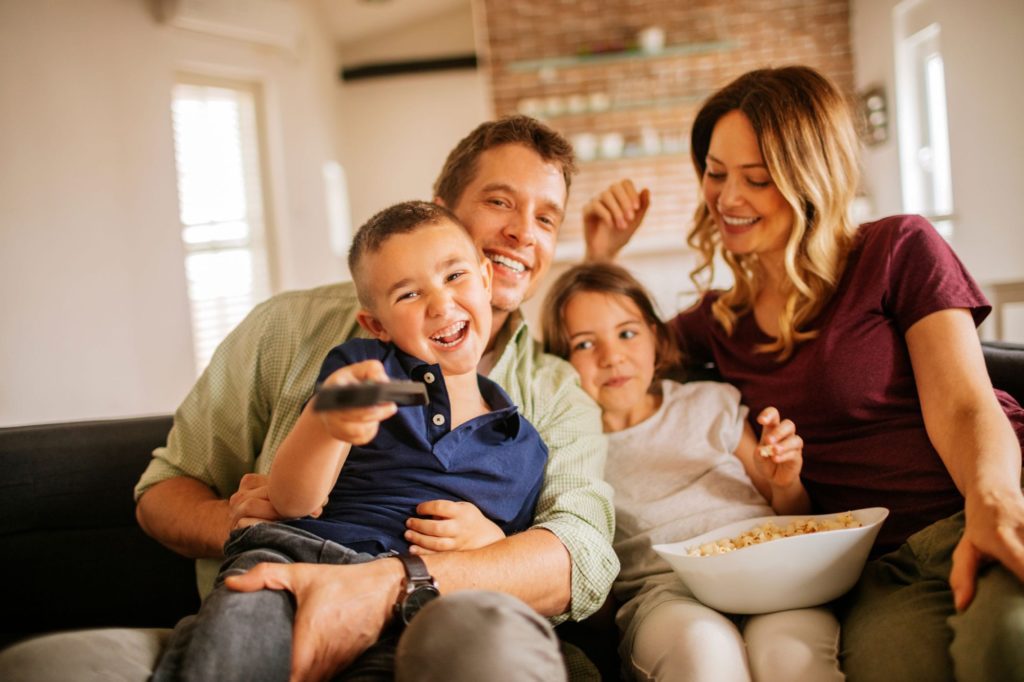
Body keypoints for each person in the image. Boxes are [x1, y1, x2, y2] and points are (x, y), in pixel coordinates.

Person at [0, 116, 617, 682]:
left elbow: (580, 553)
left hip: (447, 620)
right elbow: (163, 493)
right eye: (499, 201)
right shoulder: (295, 332)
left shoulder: (553, 398)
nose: (520, 232)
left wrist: (444, 567)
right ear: (441, 210)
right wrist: (244, 523)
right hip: (280, 582)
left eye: (545, 218)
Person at [582, 65, 1024, 681]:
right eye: (715, 173)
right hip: (877, 567)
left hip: (984, 503)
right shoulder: (719, 321)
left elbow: (965, 405)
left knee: (1006, 643)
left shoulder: (897, 249)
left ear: (810, 179)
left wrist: (994, 502)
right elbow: (604, 357)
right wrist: (600, 258)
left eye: (756, 179)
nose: (727, 199)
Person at [153, 201, 551, 680]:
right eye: (407, 295)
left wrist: (490, 543)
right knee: (236, 648)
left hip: (410, 598)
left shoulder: (522, 445)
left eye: (454, 276)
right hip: (293, 558)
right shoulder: (368, 377)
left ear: (486, 280)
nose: (440, 304)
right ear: (377, 325)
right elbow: (294, 501)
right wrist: (326, 425)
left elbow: (513, 562)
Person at [541, 261, 844, 682]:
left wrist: (785, 480)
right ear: (560, 362)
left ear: (656, 338)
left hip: (769, 574)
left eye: (627, 333)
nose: (613, 357)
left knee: (790, 658)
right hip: (666, 596)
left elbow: (792, 513)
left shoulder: (709, 402)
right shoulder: (572, 450)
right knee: (704, 655)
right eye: (585, 345)